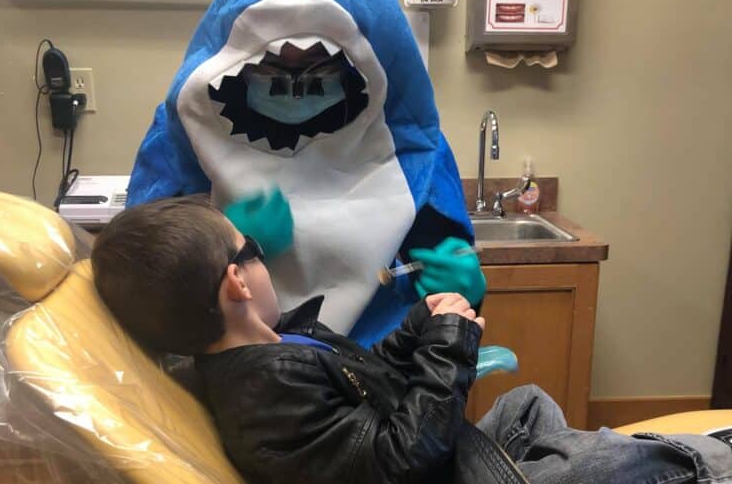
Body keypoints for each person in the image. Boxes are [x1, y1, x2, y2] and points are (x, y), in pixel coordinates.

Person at [91, 196, 732, 484]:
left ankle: (599, 456)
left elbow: (369, 382)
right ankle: (703, 461)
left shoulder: (278, 352)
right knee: (623, 467)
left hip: (449, 459)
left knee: (528, 404)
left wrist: (420, 329)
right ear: (236, 282)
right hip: (437, 472)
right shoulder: (266, 394)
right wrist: (450, 346)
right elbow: (403, 459)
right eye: (251, 250)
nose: (265, 261)